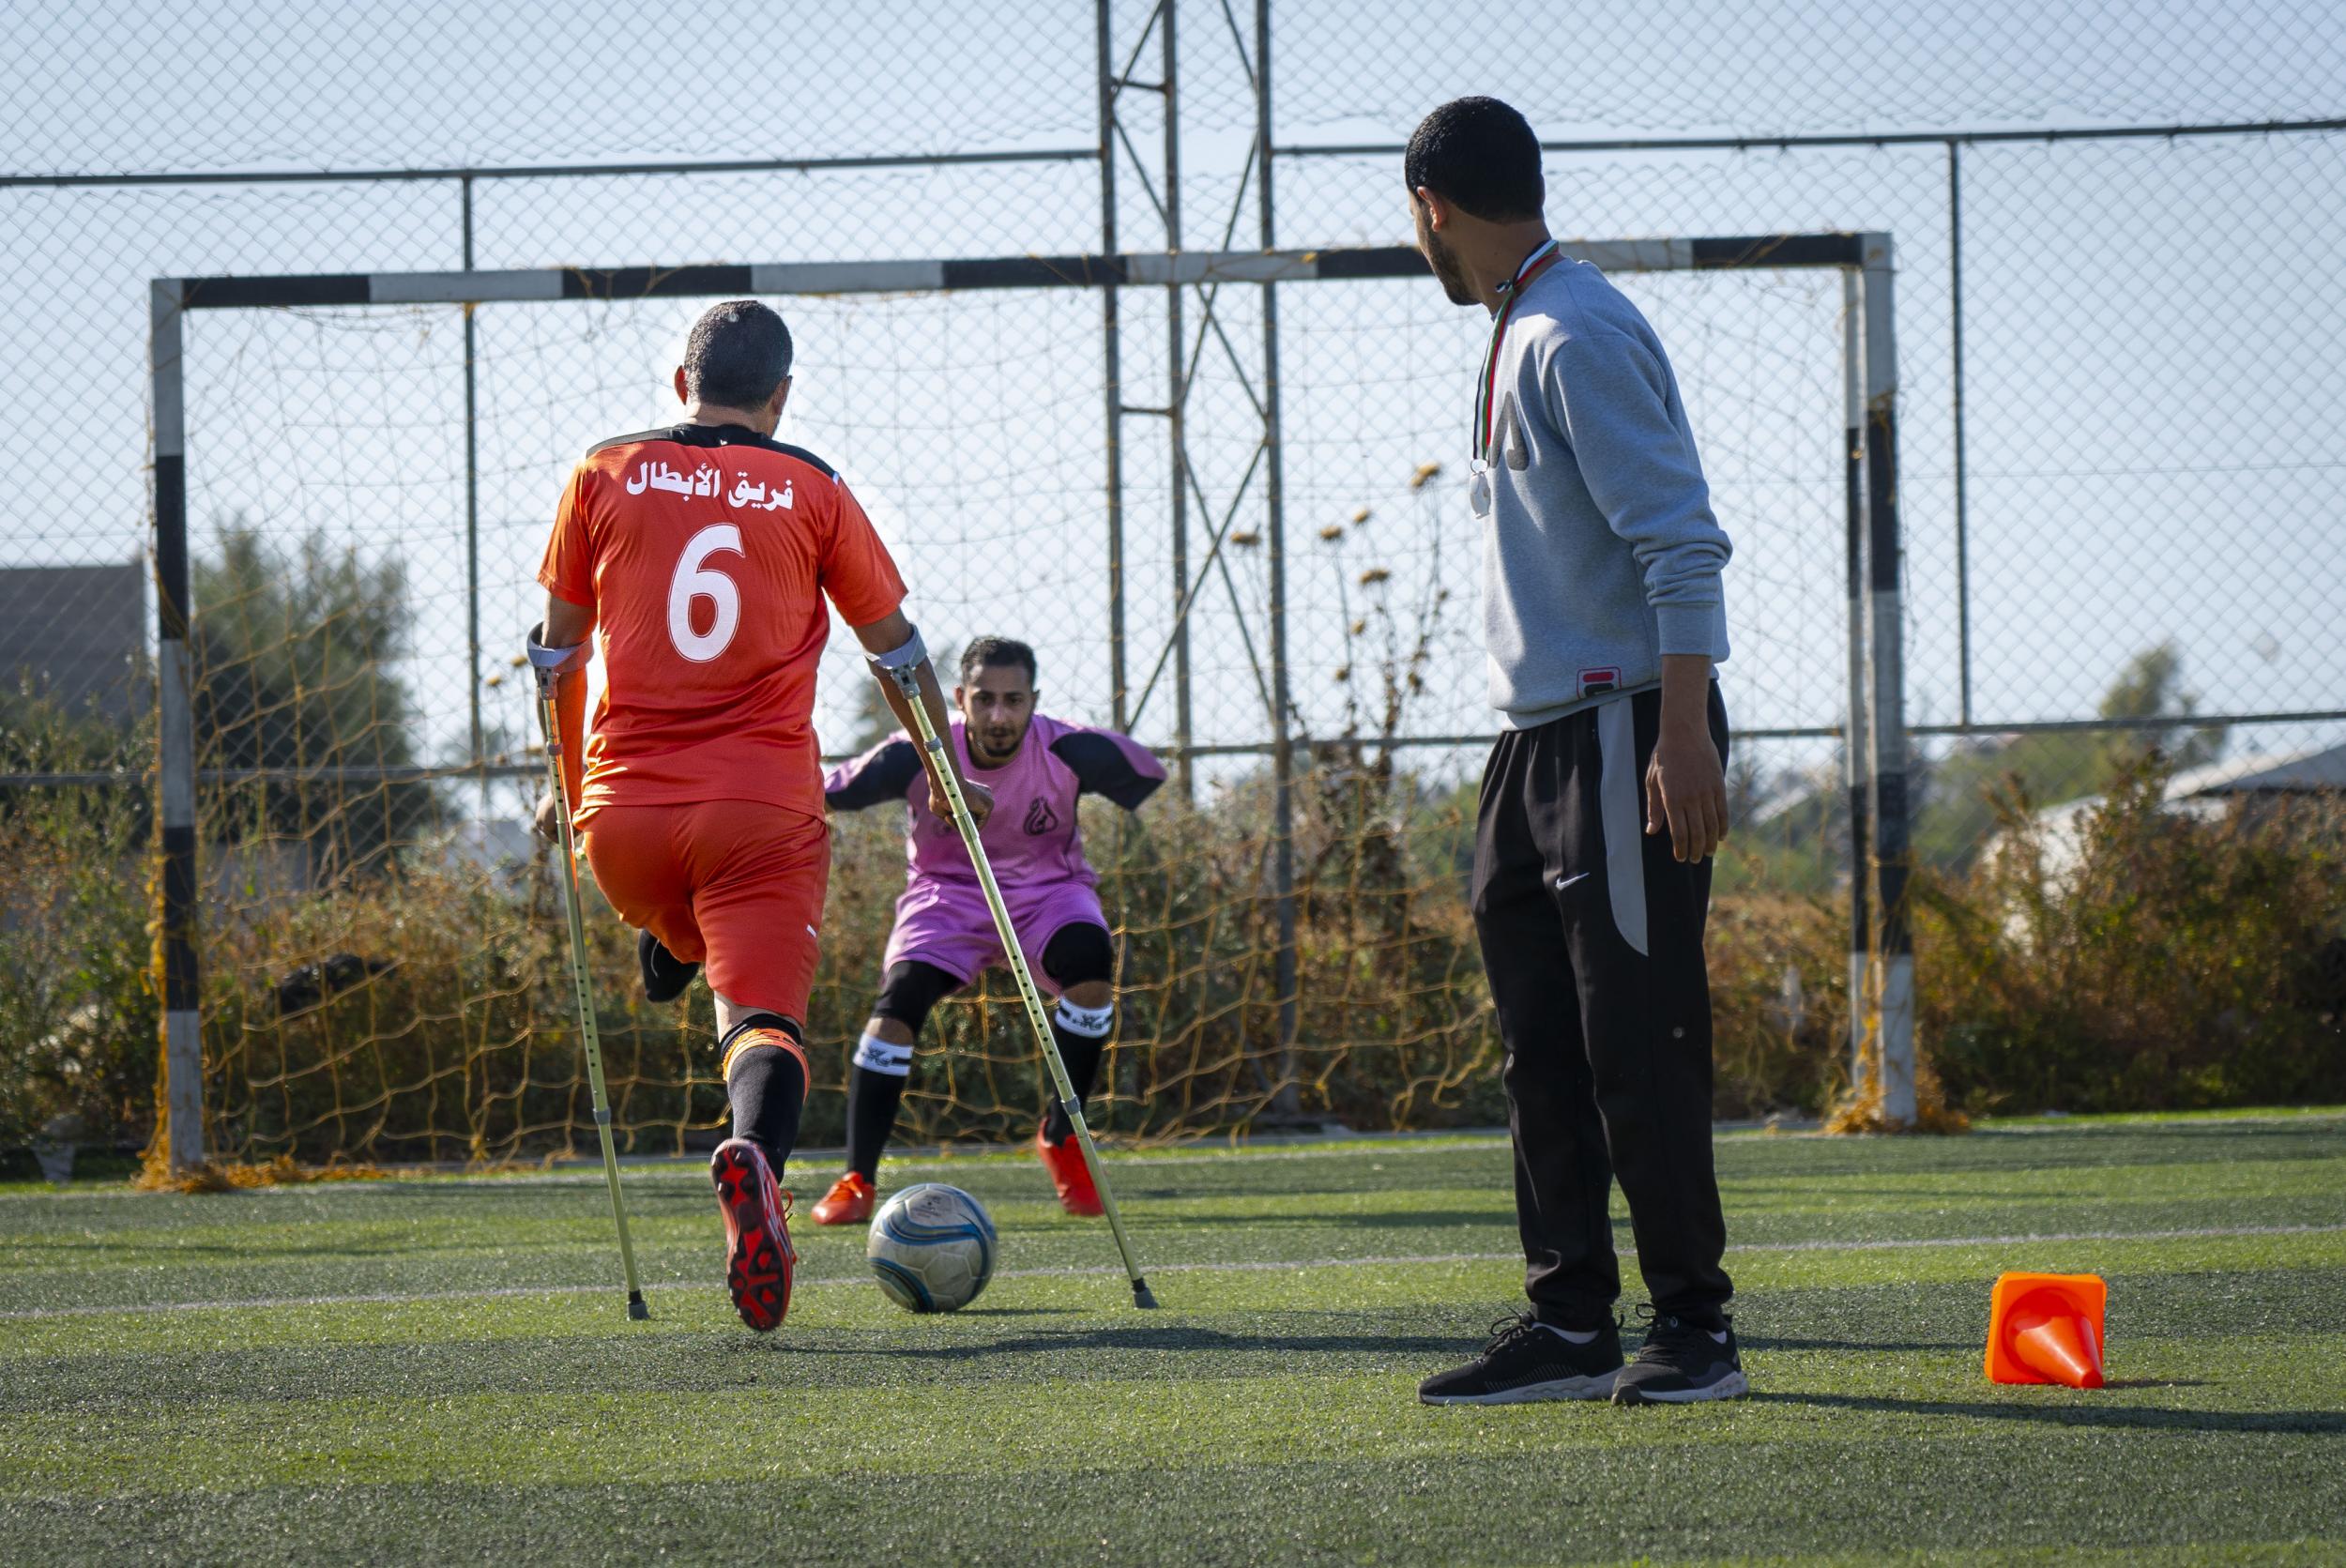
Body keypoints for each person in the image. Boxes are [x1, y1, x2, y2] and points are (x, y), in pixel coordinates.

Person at [530, 298, 984, 1333]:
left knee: (678, 922)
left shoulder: (601, 470)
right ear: (781, 397)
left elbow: (556, 651)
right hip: (762, 812)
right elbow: (896, 652)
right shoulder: (813, 485)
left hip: (624, 820)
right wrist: (945, 772)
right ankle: (755, 1170)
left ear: (681, 385)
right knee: (764, 1026)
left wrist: (565, 789)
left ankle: (663, 940)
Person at [1401, 99, 1746, 1406]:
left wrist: (1677, 728)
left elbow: (1684, 541)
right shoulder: (1518, 324)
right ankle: (1571, 1319)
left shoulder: (1575, 328)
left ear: (1430, 204)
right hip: (1534, 740)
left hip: (1623, 729)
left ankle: (1696, 1327)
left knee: (1636, 1038)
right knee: (1540, 1043)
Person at [807, 635, 1165, 1225]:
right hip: (947, 898)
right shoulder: (915, 753)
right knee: (897, 1005)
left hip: (1048, 894)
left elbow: (1145, 770)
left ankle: (1061, 1135)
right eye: (985, 699)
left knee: (1091, 963)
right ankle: (857, 1179)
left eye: (1014, 700)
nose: (999, 716)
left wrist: (1130, 765)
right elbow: (832, 789)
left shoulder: (1069, 747)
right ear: (959, 698)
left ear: (1034, 701)